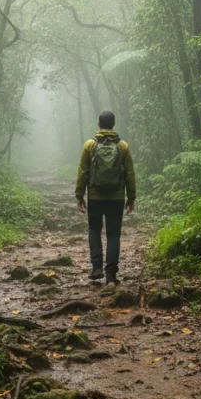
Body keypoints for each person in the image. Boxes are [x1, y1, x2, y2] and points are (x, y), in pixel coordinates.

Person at [75, 110, 135, 284]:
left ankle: (96, 268)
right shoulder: (123, 146)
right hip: (117, 198)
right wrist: (131, 197)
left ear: (99, 124)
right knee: (113, 234)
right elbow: (129, 174)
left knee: (94, 230)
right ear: (113, 125)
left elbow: (83, 172)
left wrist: (80, 195)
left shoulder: (90, 145)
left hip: (95, 197)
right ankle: (111, 273)